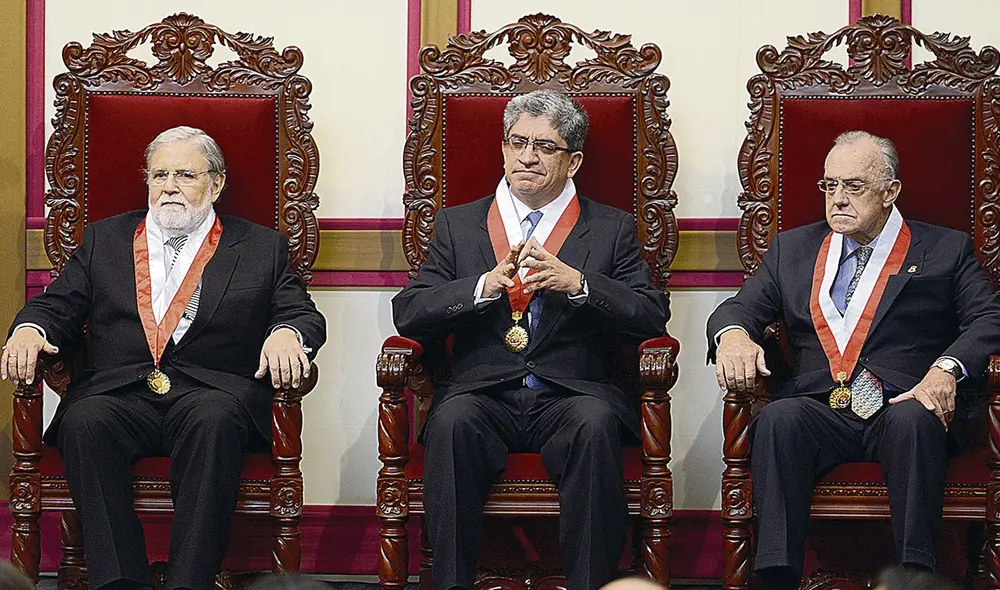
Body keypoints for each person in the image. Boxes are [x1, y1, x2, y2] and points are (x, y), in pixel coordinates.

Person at [3, 126, 326, 590]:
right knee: (83, 421)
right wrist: (31, 330)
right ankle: (120, 582)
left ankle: (188, 583)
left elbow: (300, 313)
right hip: (120, 391)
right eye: (159, 175)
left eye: (185, 174)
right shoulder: (105, 239)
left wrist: (286, 333)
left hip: (210, 392)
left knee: (214, 420)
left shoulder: (259, 246)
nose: (169, 186)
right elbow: (56, 305)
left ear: (215, 184)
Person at [392, 89, 669, 590]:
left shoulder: (610, 228)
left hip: (573, 393)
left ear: (574, 160)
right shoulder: (460, 224)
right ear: (502, 148)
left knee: (595, 422)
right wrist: (482, 287)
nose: (527, 157)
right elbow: (409, 312)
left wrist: (579, 285)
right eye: (517, 142)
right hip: (483, 392)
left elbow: (650, 315)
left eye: (544, 146)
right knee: (450, 423)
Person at [707, 130, 1000, 589]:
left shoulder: (944, 249)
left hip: (901, 401)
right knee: (778, 419)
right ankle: (776, 578)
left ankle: (913, 577)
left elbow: (989, 318)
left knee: (913, 421)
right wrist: (733, 336)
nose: (838, 199)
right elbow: (738, 307)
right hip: (820, 406)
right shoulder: (793, 250)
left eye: (854, 186)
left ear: (891, 191)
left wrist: (946, 370)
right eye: (829, 186)